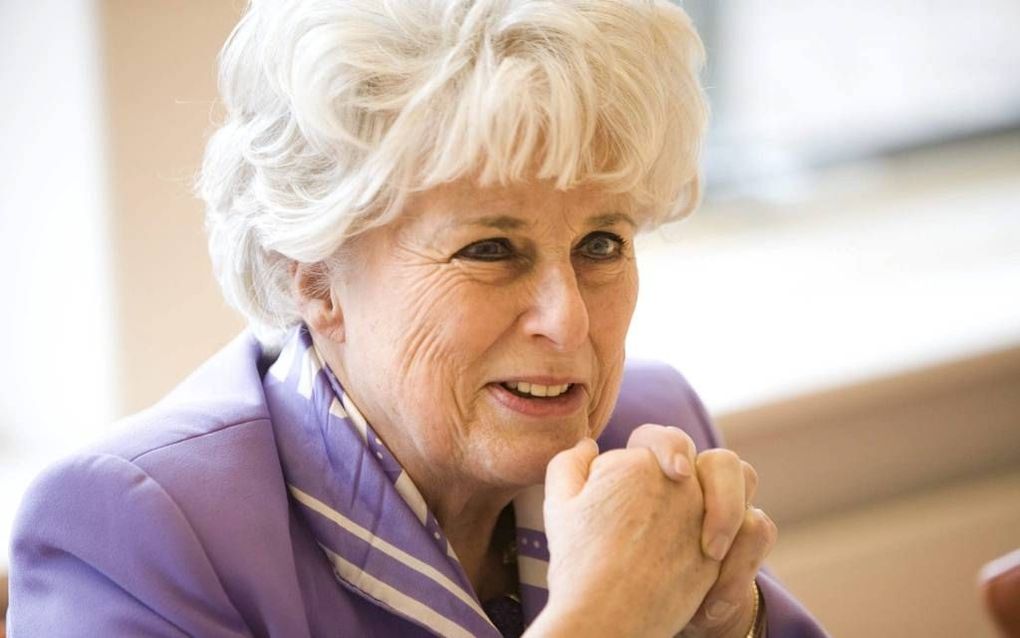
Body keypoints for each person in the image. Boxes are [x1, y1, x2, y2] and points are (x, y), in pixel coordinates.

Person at [7, 1, 827, 636]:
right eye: (491, 248)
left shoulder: (652, 437)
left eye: (602, 241)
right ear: (316, 277)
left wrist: (726, 624)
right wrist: (607, 618)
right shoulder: (140, 533)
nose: (568, 322)